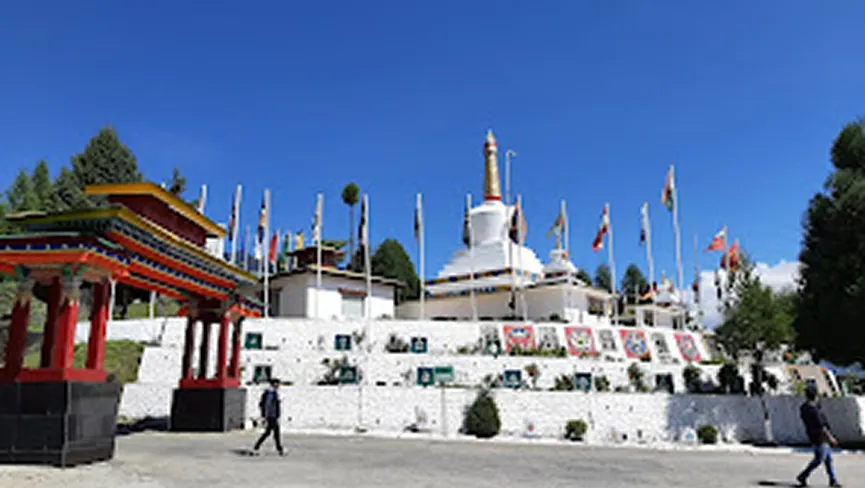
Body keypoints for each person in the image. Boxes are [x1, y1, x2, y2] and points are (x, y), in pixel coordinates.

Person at [796, 385, 841, 487]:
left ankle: (833, 480)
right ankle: (803, 475)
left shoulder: (804, 408)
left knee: (828, 459)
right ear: (815, 395)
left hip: (812, 435)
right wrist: (831, 437)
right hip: (821, 437)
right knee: (819, 459)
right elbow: (822, 426)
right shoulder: (814, 410)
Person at [252, 378, 285, 456]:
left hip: (272, 415)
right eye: (278, 384)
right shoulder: (270, 393)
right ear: (274, 384)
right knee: (274, 433)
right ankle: (279, 449)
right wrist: (265, 416)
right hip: (271, 416)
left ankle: (257, 447)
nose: (279, 386)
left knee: (269, 433)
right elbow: (267, 405)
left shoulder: (272, 392)